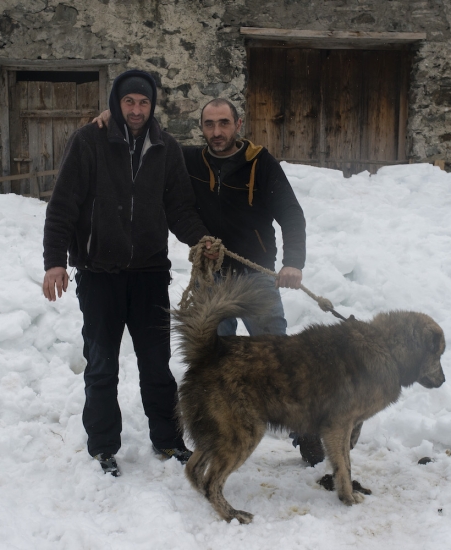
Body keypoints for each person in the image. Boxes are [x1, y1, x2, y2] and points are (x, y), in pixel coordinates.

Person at [95, 99, 325, 465]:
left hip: (255, 278)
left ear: (238, 124)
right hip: (211, 279)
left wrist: (293, 263)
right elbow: (150, 140)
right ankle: (216, 432)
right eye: (209, 124)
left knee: (281, 360)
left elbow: (291, 214)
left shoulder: (259, 162)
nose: (216, 132)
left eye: (224, 124)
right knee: (210, 361)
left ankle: (305, 432)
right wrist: (116, 118)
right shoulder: (188, 160)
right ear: (200, 127)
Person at [42, 69, 216, 477]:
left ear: (152, 105)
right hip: (99, 273)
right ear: (116, 104)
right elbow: (63, 204)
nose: (137, 110)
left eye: (143, 102)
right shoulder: (89, 141)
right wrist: (55, 260)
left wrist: (200, 240)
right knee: (102, 363)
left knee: (156, 362)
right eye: (129, 102)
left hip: (150, 273)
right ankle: (103, 446)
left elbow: (178, 208)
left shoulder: (166, 148)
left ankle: (169, 439)